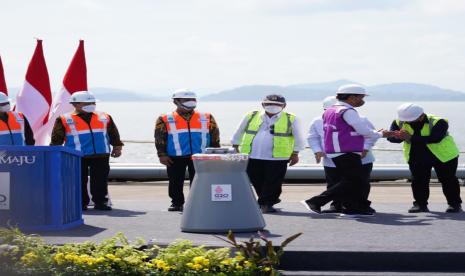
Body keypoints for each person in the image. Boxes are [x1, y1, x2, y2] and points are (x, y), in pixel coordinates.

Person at [302, 84, 393, 217]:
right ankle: (316, 202)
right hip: (346, 150)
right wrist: (381, 134)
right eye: (360, 97)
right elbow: (363, 131)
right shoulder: (347, 111)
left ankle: (351, 208)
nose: (362, 101)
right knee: (354, 180)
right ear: (351, 97)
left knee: (352, 180)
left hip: (335, 151)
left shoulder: (330, 110)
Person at [231, 94, 305, 213]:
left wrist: (295, 153)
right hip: (252, 155)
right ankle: (267, 200)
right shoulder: (251, 116)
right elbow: (239, 131)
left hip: (278, 157)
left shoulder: (292, 118)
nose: (273, 106)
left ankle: (265, 203)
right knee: (256, 179)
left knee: (273, 181)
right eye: (269, 104)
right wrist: (235, 146)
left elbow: (299, 138)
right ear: (263, 104)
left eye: (277, 104)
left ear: (284, 106)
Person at [50, 91, 123, 211]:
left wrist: (117, 146)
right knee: (78, 180)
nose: (92, 104)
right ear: (75, 104)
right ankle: (81, 203)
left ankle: (101, 202)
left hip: (101, 153)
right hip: (76, 155)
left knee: (100, 180)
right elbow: (56, 139)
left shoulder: (104, 117)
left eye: (93, 102)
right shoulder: (64, 119)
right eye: (88, 102)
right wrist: (55, 155)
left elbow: (113, 133)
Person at [387, 103, 462, 213]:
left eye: (412, 119)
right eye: (407, 120)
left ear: (422, 115)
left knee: (448, 179)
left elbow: (435, 138)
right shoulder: (399, 121)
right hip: (416, 155)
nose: (408, 122)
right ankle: (420, 205)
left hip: (443, 155)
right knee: (418, 180)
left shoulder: (439, 121)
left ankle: (455, 204)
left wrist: (410, 137)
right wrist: (396, 136)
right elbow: (392, 139)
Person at [307, 96, 376, 213]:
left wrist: (365, 148)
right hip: (331, 158)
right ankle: (337, 205)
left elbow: (371, 135)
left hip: (360, 158)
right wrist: (317, 150)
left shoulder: (361, 119)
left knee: (361, 183)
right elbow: (312, 137)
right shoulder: (317, 121)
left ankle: (360, 205)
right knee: (334, 183)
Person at [155, 89, 220, 212]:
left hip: (201, 156)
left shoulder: (206, 117)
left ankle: (197, 202)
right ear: (176, 102)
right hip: (175, 155)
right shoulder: (164, 118)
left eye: (193, 100)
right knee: (175, 180)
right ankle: (177, 203)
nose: (190, 102)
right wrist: (162, 154)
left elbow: (215, 135)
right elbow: (159, 137)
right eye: (186, 100)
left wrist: (214, 153)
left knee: (199, 181)